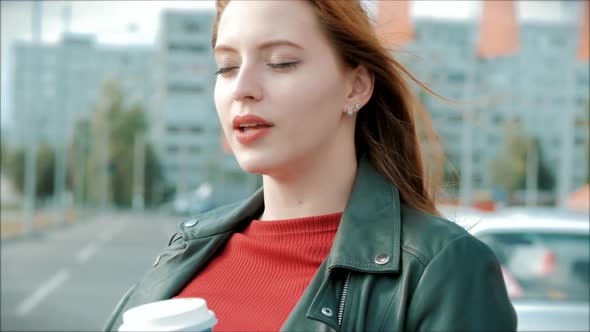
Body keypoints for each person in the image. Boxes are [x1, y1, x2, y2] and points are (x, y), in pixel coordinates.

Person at [105, 1, 517, 331]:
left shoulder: (440, 270)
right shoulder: (187, 247)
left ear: (355, 86)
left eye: (281, 62)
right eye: (227, 66)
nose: (242, 89)